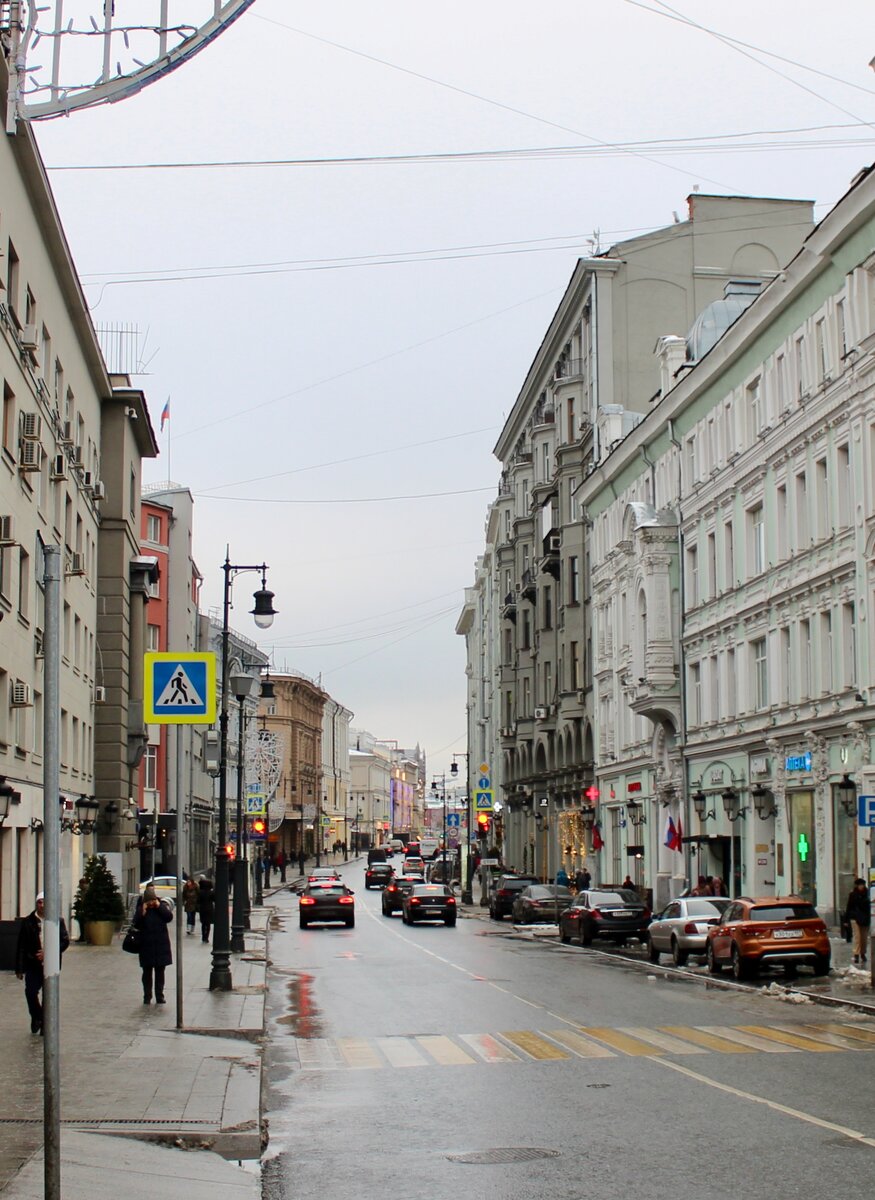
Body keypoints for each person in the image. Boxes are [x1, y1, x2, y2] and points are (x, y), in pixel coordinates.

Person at [15, 893, 69, 1034]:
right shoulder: (28, 921)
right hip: (33, 964)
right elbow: (21, 946)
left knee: (48, 994)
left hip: (51, 965)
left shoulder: (58, 920)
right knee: (31, 992)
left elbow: (64, 941)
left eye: (45, 902)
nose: (42, 905)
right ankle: (37, 1016)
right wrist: (19, 968)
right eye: (39, 902)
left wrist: (49, 953)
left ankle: (45, 1025)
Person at [133, 885, 173, 1004]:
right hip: (146, 946)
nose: (150, 903)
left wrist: (159, 906)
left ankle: (159, 995)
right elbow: (136, 923)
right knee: (147, 973)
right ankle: (147, 996)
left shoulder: (161, 908)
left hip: (161, 946)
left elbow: (169, 917)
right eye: (148, 901)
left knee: (160, 973)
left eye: (152, 900)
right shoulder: (141, 910)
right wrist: (142, 911)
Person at [845, 878, 871, 966]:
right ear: (857, 885)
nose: (861, 886)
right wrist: (846, 920)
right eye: (860, 885)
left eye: (862, 885)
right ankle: (856, 954)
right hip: (855, 918)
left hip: (865, 918)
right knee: (857, 937)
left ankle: (863, 953)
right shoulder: (853, 895)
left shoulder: (868, 894)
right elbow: (848, 907)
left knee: (864, 938)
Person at [197, 876, 215, 944]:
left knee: (203, 924)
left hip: (202, 909)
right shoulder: (211, 892)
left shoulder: (200, 892)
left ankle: (203, 936)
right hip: (209, 909)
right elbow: (214, 899)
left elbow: (198, 901)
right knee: (208, 924)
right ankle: (206, 937)